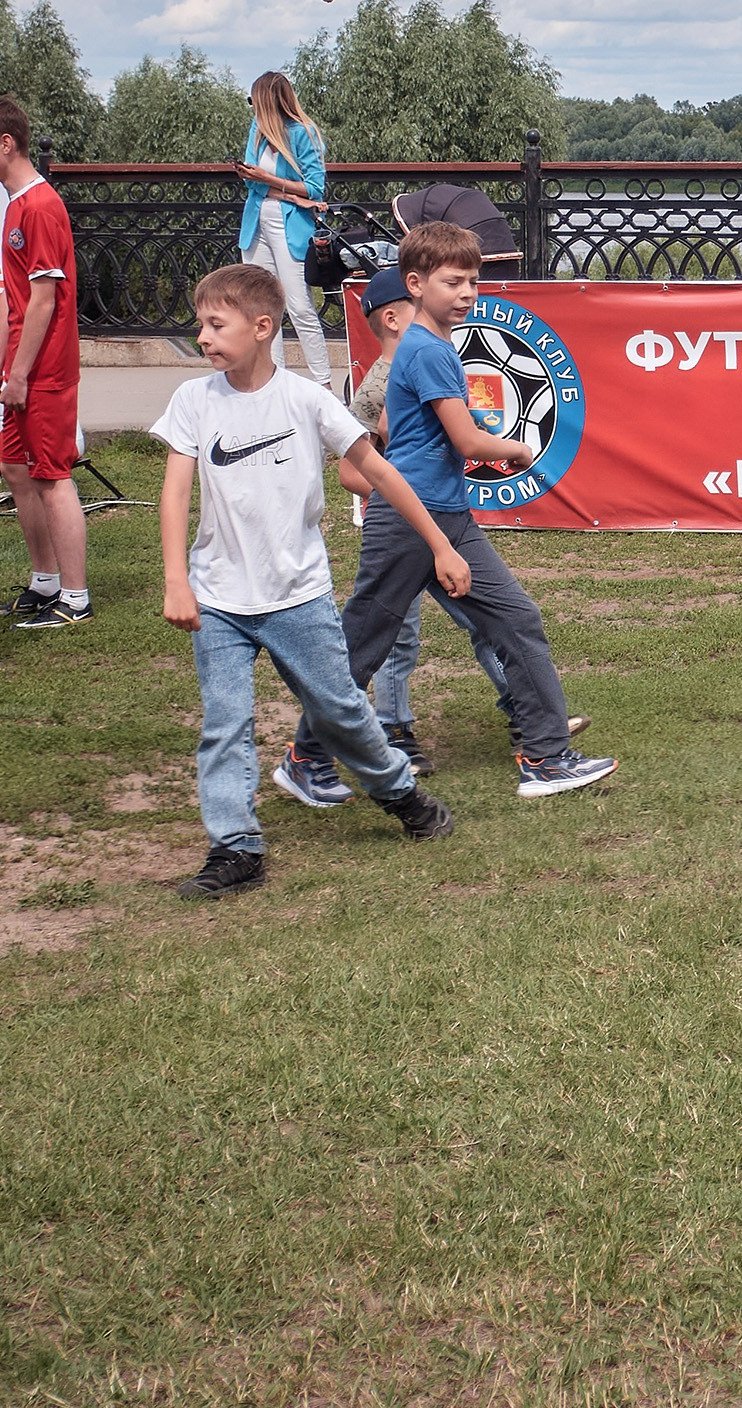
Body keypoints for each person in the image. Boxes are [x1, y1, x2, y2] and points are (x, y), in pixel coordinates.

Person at [153, 263, 460, 900]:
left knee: (340, 710)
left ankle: (400, 793)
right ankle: (236, 847)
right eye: (201, 324)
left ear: (262, 328)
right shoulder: (192, 401)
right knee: (225, 723)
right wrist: (177, 580)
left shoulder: (306, 400)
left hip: (297, 596)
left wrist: (439, 545)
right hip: (217, 600)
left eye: (217, 325)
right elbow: (176, 490)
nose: (203, 337)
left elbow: (382, 473)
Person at [330, 220, 619, 799]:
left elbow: (409, 431)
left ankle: (545, 757)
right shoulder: (430, 351)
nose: (466, 293)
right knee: (363, 643)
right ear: (415, 285)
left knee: (515, 620)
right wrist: (516, 448)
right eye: (453, 281)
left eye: (473, 281)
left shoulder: (428, 348)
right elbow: (465, 442)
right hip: (410, 518)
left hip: (445, 513)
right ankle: (307, 755)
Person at [0, 97, 91, 630]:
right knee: (16, 467)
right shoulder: (16, 204)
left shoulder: (39, 206)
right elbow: (11, 303)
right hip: (20, 367)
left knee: (52, 475)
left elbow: (43, 302)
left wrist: (18, 375)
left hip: (45, 370)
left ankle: (76, 599)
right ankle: (45, 582)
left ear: (5, 143)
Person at [232, 70, 330, 385]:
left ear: (269, 100)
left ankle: (324, 384)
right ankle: (273, 383)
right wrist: (287, 193)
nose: (253, 108)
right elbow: (251, 183)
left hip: (289, 227)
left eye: (255, 101)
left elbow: (315, 188)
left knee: (299, 306)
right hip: (257, 224)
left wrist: (269, 181)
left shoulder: (302, 133)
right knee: (262, 308)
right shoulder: (256, 130)